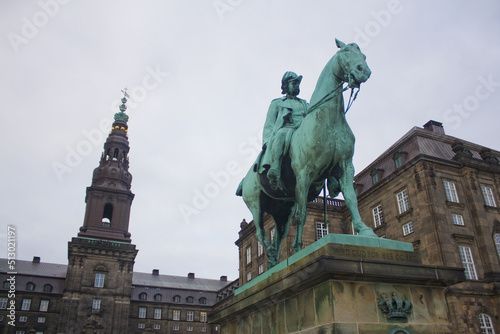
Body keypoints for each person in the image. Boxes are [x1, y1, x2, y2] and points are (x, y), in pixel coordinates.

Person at [260, 71, 309, 190]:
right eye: (294, 83)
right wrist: (267, 141)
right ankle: (275, 168)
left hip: (304, 132)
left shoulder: (305, 104)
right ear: (286, 86)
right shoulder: (277, 103)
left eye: (298, 83)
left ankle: (331, 175)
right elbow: (269, 124)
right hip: (287, 130)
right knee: (281, 134)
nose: (297, 85)